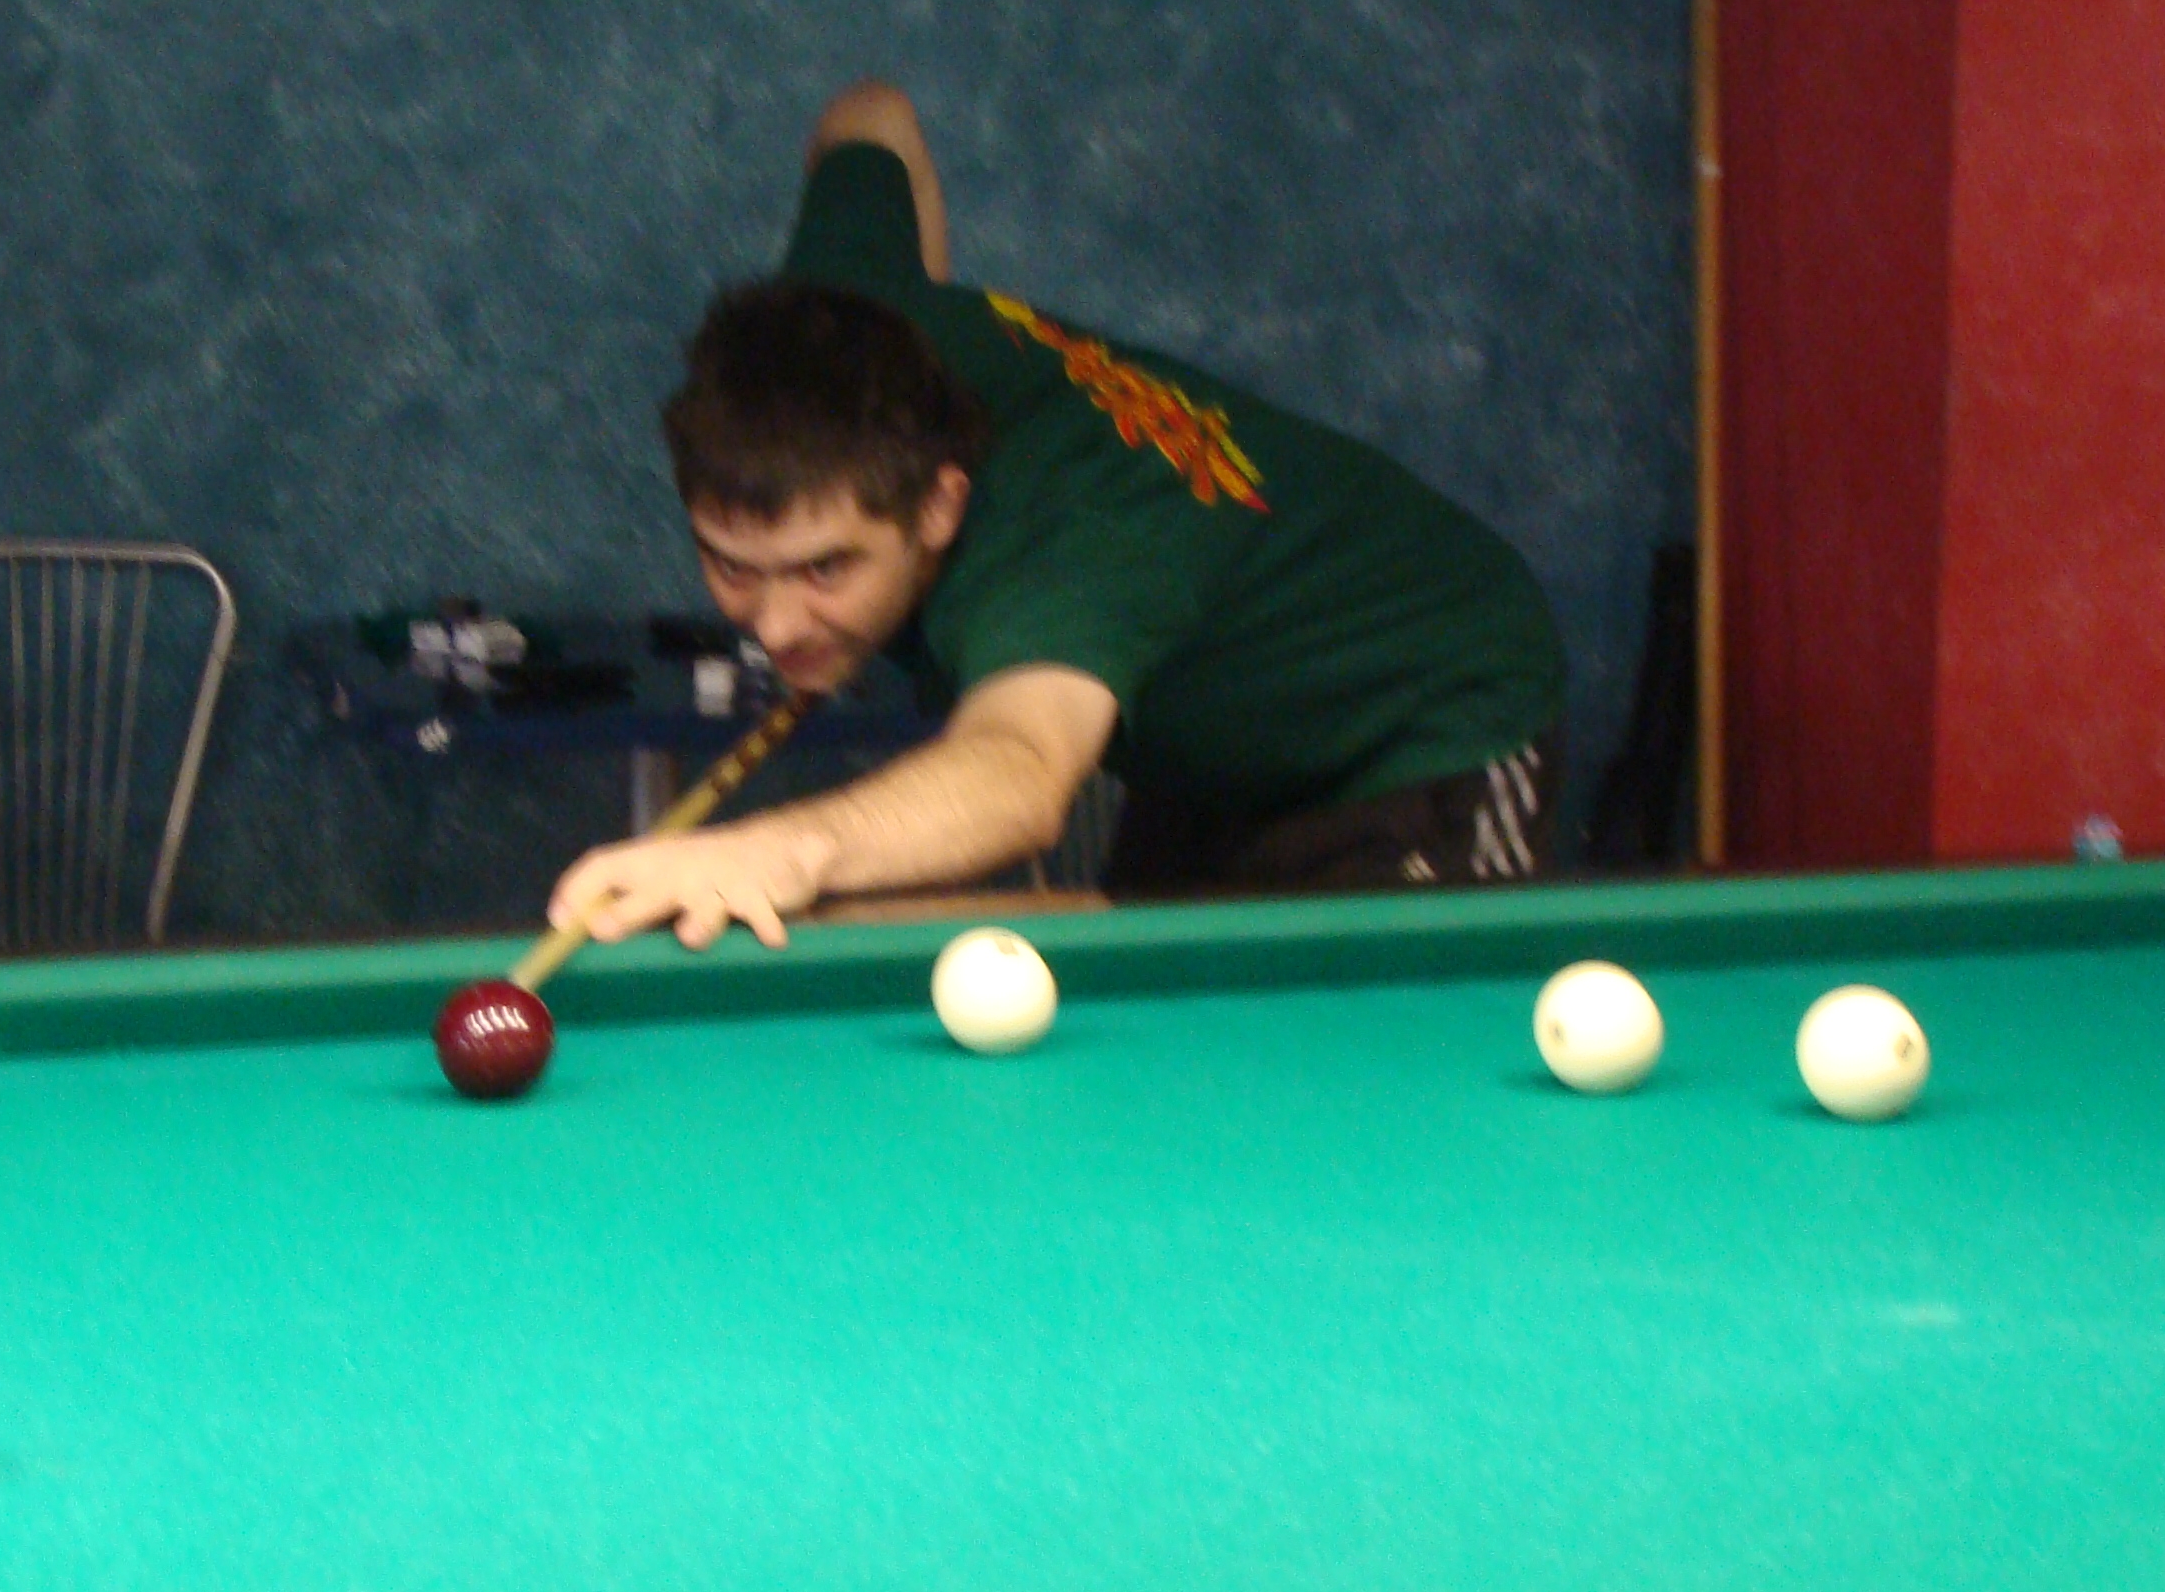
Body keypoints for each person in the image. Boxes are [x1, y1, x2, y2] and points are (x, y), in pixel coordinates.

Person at [548, 82, 1566, 950]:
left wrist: (778, 848)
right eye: (733, 567)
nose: (773, 628)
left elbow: (1022, 774)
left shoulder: (1067, 544)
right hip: (1212, 721)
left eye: (825, 570)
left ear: (940, 503)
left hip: (1424, 716)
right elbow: (871, 117)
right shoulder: (838, 322)